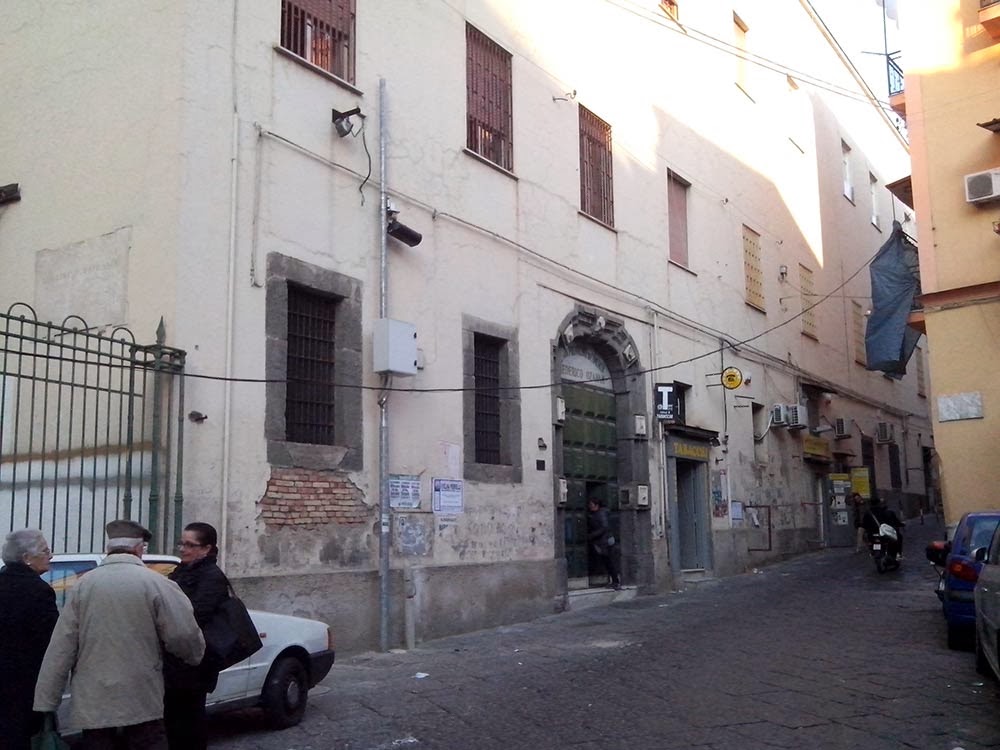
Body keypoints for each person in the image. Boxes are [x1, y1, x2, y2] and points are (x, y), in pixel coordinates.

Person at [33, 519, 205, 750]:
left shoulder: (83, 585)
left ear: (109, 549)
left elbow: (62, 646)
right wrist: (194, 656)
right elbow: (183, 635)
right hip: (141, 697)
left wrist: (46, 700)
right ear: (139, 549)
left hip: (94, 701)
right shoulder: (157, 583)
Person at [164, 522, 229, 750]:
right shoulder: (183, 571)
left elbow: (196, 615)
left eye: (190, 545)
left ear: (206, 548)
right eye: (181, 543)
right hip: (175, 660)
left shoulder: (212, 577)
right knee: (174, 720)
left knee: (189, 722)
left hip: (196, 662)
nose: (183, 549)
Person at [0, 529, 59, 750]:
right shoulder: (39, 591)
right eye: (45, 551)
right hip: (25, 684)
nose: (50, 555)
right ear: (27, 558)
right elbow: (51, 639)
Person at [587, 498, 621, 590]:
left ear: (597, 505)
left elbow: (604, 527)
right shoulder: (597, 514)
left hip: (605, 541)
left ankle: (615, 582)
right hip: (603, 541)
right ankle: (614, 581)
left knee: (609, 562)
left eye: (591, 505)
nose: (590, 506)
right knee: (607, 562)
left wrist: (592, 535)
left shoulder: (601, 514)